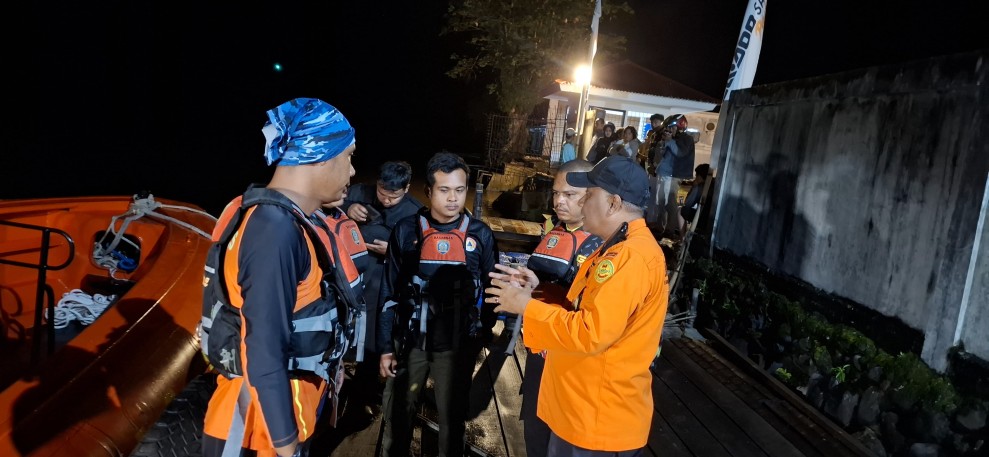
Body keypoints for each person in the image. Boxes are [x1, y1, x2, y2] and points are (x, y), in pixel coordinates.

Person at [201, 98, 358, 457]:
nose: (352, 171)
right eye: (348, 156)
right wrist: (286, 445)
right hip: (257, 431)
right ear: (319, 154)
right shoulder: (274, 229)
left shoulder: (290, 220)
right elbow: (264, 344)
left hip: (285, 414)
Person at [485, 156, 669, 456]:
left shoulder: (631, 257)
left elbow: (591, 332)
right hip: (580, 410)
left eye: (589, 195)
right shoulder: (615, 247)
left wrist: (526, 307)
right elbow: (582, 310)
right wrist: (537, 292)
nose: (582, 204)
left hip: (597, 421)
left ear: (613, 203)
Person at [378, 152, 499, 457]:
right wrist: (385, 347)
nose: (453, 199)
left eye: (459, 190)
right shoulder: (406, 230)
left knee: (452, 421)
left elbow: (493, 289)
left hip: (456, 346)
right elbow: (388, 291)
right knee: (398, 414)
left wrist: (481, 331)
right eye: (444, 190)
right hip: (410, 343)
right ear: (429, 191)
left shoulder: (480, 234)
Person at [518, 159, 603, 457]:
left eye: (569, 194)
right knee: (534, 435)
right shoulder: (553, 229)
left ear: (591, 195)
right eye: (556, 193)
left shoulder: (603, 245)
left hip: (571, 366)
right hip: (539, 354)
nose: (559, 201)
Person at [341, 161, 423, 410]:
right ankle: (337, 376)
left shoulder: (415, 214)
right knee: (342, 326)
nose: (386, 201)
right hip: (348, 275)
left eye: (393, 196)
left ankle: (364, 390)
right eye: (382, 193)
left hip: (381, 281)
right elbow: (326, 207)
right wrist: (348, 207)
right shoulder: (357, 193)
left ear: (406, 188)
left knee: (374, 334)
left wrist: (393, 252)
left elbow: (420, 255)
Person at [655, 114, 695, 238]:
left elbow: (680, 153)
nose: (669, 130)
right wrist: (663, 144)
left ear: (680, 126)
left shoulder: (686, 139)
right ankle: (660, 228)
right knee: (661, 203)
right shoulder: (673, 139)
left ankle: (669, 232)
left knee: (671, 204)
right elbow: (663, 155)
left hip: (675, 176)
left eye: (671, 127)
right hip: (665, 174)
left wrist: (670, 141)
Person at [679, 163, 712, 233]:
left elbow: (687, 204)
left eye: (696, 176)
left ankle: (682, 239)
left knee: (680, 211)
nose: (695, 178)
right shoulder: (713, 185)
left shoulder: (699, 188)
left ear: (700, 176)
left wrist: (693, 188)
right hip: (711, 218)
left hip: (702, 218)